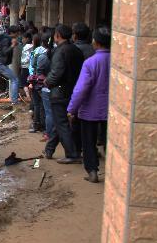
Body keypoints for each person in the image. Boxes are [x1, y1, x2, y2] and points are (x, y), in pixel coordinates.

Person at [68, 27, 111, 183]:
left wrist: (72, 109)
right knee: (110, 142)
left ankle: (92, 171)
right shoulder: (117, 61)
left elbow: (81, 89)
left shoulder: (90, 63)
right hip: (111, 111)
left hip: (90, 111)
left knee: (89, 142)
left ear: (96, 42)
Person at [44, 24, 85, 163]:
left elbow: (56, 73)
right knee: (60, 122)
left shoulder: (60, 51)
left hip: (59, 92)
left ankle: (72, 154)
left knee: (61, 123)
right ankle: (49, 149)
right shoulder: (76, 50)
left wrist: (47, 82)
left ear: (58, 35)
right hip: (73, 90)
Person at [37, 33, 55, 140]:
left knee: (48, 112)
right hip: (59, 88)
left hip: (46, 88)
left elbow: (39, 73)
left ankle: (48, 133)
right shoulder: (59, 54)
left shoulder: (42, 57)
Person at [27, 33, 45, 132]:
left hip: (36, 80)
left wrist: (31, 81)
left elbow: (32, 67)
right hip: (46, 80)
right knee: (43, 104)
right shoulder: (46, 51)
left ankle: (36, 124)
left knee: (36, 103)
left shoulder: (35, 52)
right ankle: (43, 124)